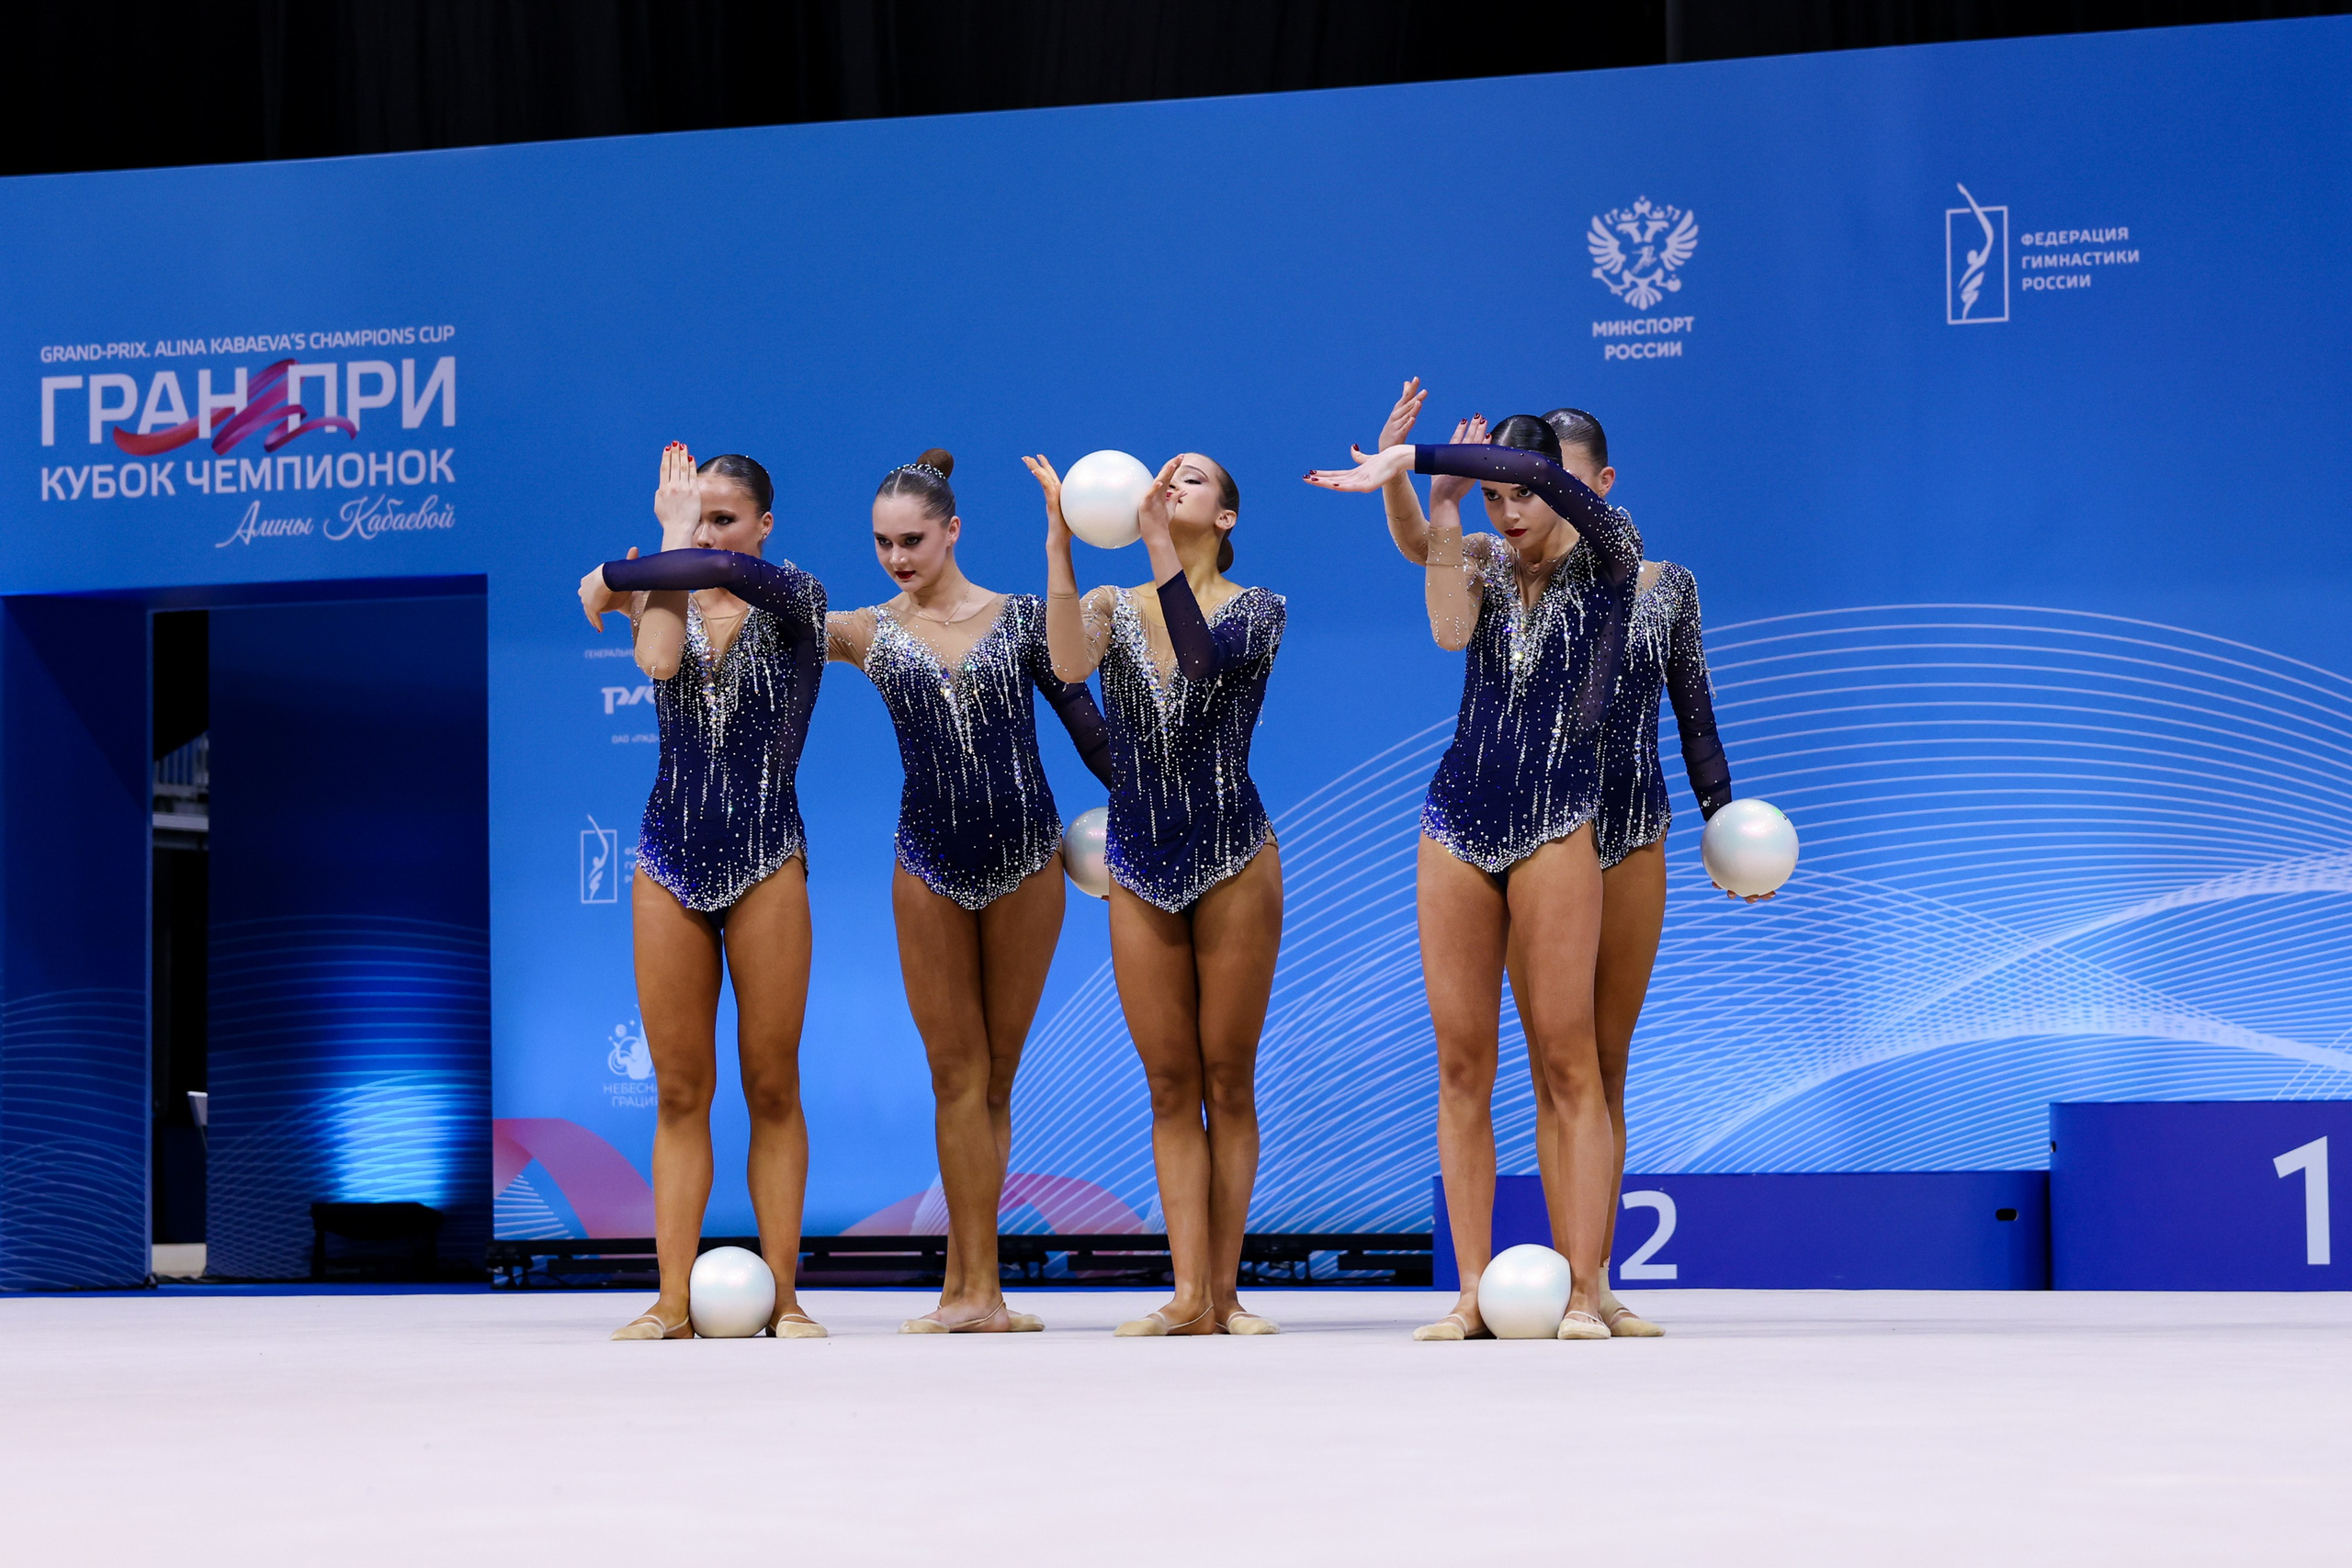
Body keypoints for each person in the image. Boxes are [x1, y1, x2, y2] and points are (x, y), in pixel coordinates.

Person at [1306, 400, 1640, 1341]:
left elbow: (1550, 489)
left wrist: (1409, 455)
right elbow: (1448, 626)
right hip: (1456, 818)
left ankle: (1583, 1290)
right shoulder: (1487, 564)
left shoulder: (1615, 553)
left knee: (1567, 1063)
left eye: (1518, 494)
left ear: (1556, 486)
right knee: (1461, 1064)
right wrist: (1436, 503)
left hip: (1556, 823)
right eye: (1493, 498)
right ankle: (1467, 1292)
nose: (1510, 514)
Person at [822, 449, 1117, 1333]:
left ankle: (974, 1286)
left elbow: (1090, 734)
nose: (897, 558)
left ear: (953, 529)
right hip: (928, 865)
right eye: (881, 544)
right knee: (955, 1074)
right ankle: (971, 1293)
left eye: (912, 539)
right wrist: (650, 569)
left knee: (996, 1078)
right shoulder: (866, 630)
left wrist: (1152, 805)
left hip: (1028, 859)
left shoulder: (1025, 620)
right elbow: (765, 618)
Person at [1026, 451, 1286, 1337]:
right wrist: (1061, 546)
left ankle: (1227, 1292)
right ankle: (1187, 1295)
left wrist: (1153, 551)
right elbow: (1064, 663)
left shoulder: (1260, 609)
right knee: (1171, 1082)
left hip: (1233, 853)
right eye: (1166, 475)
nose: (1172, 484)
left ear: (1225, 519)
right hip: (1139, 858)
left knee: (1228, 1076)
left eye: (1198, 479)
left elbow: (1205, 665)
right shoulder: (1110, 605)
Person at [576, 442, 829, 1341]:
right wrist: (657, 555)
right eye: (698, 516)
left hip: (768, 855)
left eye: (725, 518)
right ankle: (672, 1299)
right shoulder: (666, 595)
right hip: (669, 859)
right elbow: (654, 661)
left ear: (763, 526)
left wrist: (623, 565)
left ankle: (789, 1296)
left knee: (772, 1084)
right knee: (680, 1091)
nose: (710, 534)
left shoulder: (797, 598)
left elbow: (717, 568)